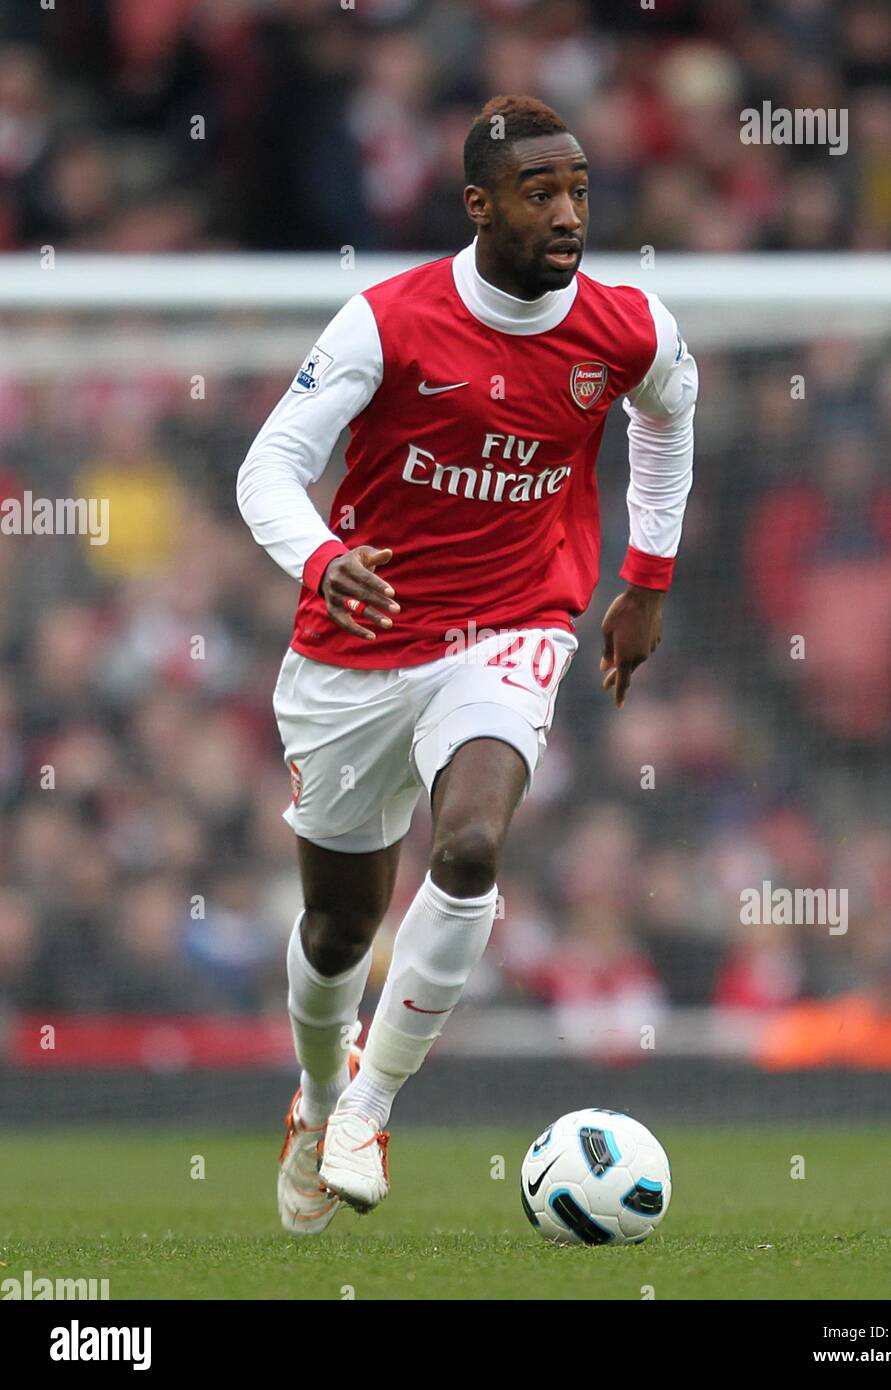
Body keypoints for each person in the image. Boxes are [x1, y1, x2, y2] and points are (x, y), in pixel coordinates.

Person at [236, 94, 698, 1235]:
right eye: (540, 192)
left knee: (474, 842)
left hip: (509, 627)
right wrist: (326, 556)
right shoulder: (386, 321)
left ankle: (371, 1108)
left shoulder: (627, 327)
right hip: (354, 649)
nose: (567, 212)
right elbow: (267, 468)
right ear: (478, 205)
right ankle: (318, 1091)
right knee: (339, 930)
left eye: (579, 189)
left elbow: (667, 416)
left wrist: (645, 577)